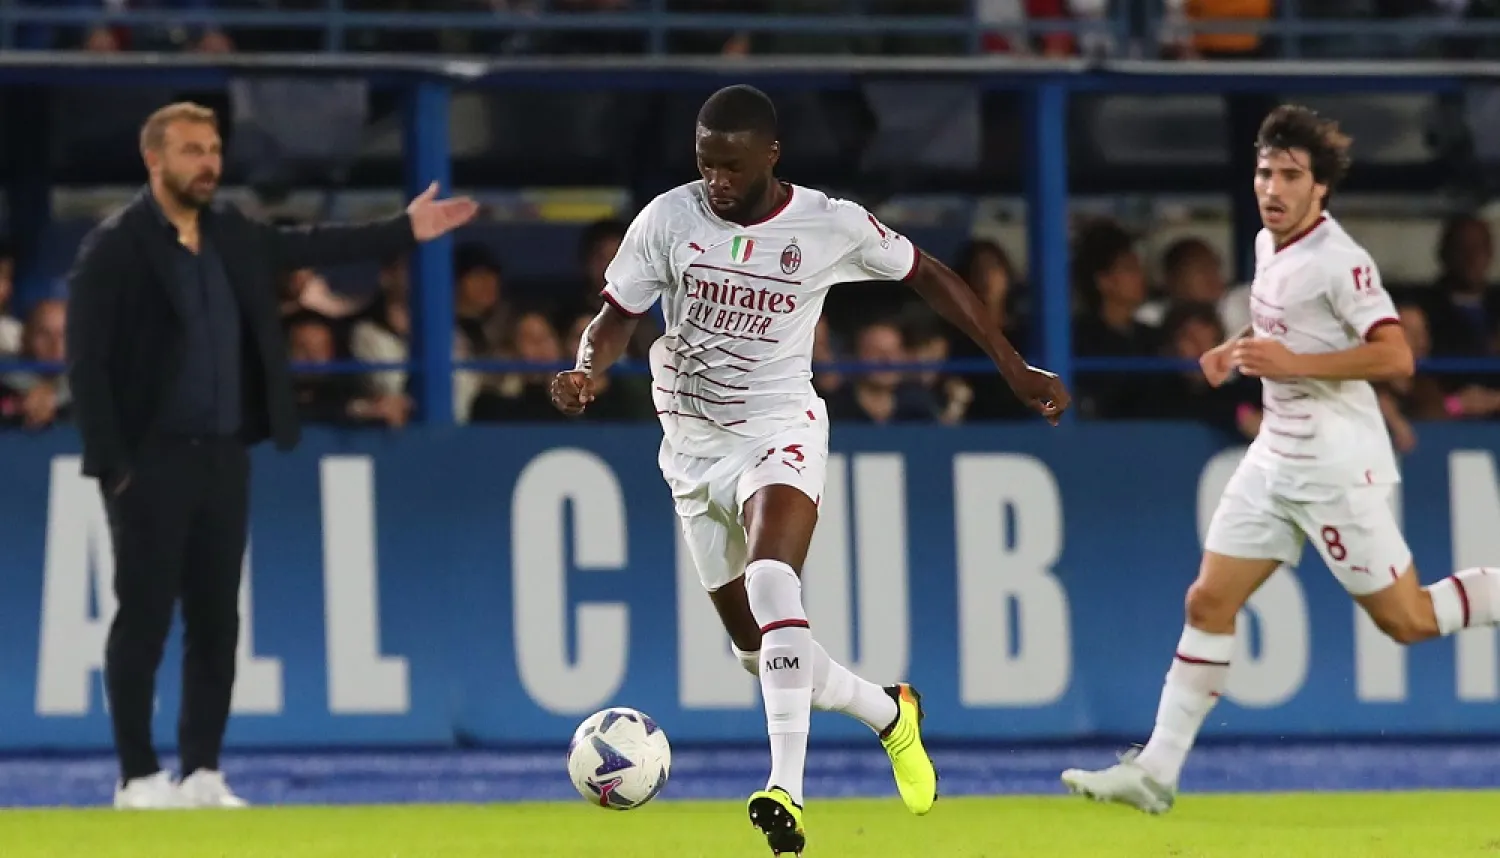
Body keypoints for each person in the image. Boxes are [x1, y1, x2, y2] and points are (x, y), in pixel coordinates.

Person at [550, 84, 1069, 855]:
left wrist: (1012, 364)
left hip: (779, 427)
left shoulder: (828, 224)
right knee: (758, 653)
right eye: (705, 163)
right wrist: (588, 368)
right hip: (691, 448)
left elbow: (929, 275)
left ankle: (785, 789)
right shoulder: (668, 218)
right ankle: (890, 714)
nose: (716, 180)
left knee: (772, 581)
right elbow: (617, 315)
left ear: (770, 156)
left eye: (730, 165)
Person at [1059, 104, 1500, 814]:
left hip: (1333, 468)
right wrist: (1236, 351)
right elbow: (1282, 334)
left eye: (1291, 175)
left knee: (1407, 620)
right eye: (1266, 171)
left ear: (1320, 188)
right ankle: (1156, 772)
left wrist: (1295, 361)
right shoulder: (1269, 247)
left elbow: (1396, 354)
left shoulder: (1340, 260)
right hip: (1274, 458)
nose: (1274, 187)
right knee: (1208, 599)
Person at [66, 102, 476, 810]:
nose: (209, 163)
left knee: (217, 619)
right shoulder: (117, 247)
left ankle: (201, 772)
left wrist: (404, 230)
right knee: (144, 618)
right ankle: (137, 775)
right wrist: (113, 464)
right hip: (150, 461)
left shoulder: (232, 234)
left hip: (226, 454)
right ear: (153, 160)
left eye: (215, 148)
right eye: (192, 149)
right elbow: (86, 361)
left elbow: (313, 245)